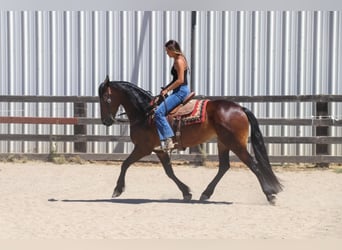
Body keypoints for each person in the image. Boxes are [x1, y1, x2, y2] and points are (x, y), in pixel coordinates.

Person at [153, 40, 190, 151]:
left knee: (158, 113)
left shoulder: (179, 61)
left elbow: (180, 80)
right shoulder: (179, 59)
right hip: (178, 90)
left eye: (167, 51)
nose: (167, 53)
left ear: (172, 50)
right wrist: (166, 88)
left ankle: (168, 140)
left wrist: (167, 89)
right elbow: (175, 79)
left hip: (180, 92)